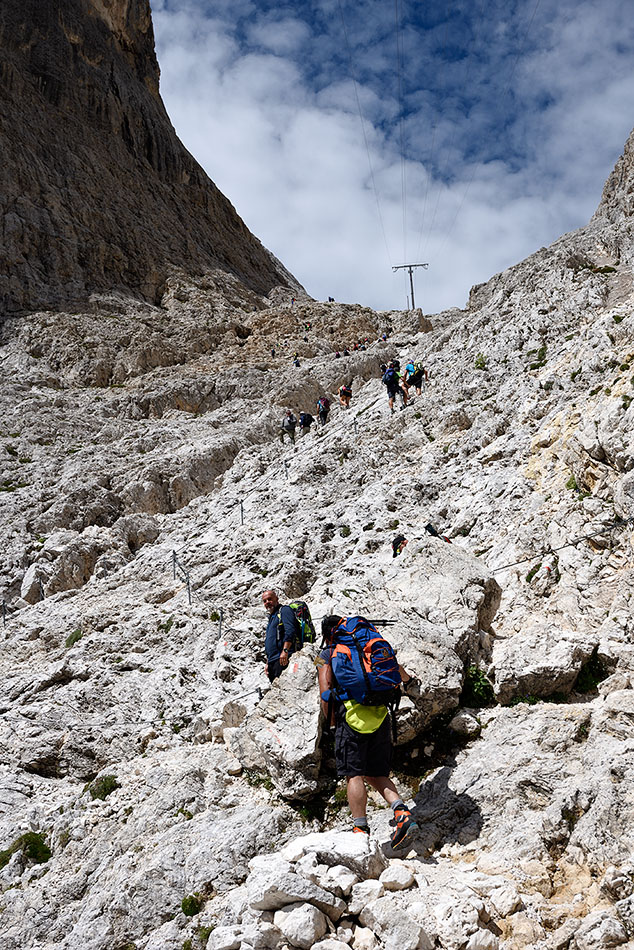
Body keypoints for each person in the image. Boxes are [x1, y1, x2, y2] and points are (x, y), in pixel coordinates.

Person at [317, 615, 419, 848]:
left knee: (354, 774)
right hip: (381, 714)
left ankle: (360, 828)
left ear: (327, 635)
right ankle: (402, 813)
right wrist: (410, 682)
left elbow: (326, 691)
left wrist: (331, 722)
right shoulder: (365, 645)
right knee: (376, 773)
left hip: (352, 719)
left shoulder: (326, 654)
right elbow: (397, 670)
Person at [262, 590, 297, 682]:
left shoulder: (284, 610)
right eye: (264, 601)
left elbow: (290, 631)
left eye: (270, 599)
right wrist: (268, 662)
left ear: (276, 599)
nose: (267, 602)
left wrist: (285, 650)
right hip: (272, 661)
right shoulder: (271, 617)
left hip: (282, 658)